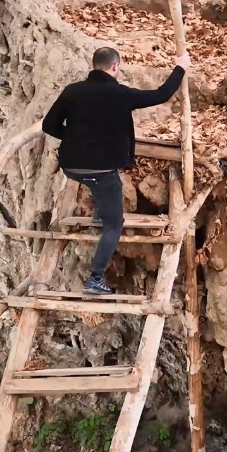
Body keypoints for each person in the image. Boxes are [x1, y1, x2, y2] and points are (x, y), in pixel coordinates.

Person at [42, 47, 192, 295]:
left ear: (93, 65)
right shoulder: (121, 94)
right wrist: (180, 67)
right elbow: (161, 94)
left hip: (71, 167)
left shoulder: (72, 91)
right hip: (101, 170)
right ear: (115, 66)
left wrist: (73, 138)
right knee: (114, 223)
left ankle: (99, 215)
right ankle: (95, 279)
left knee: (104, 186)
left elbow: (49, 125)